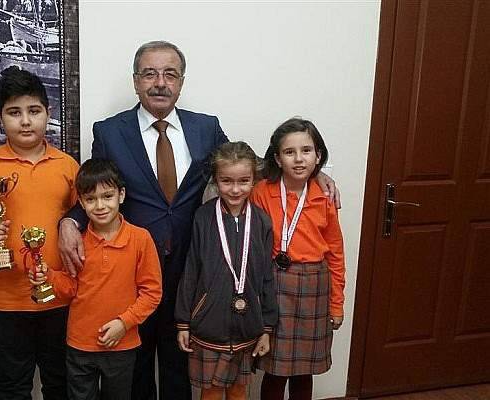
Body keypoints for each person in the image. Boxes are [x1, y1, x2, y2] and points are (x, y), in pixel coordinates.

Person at [58, 40, 340, 400]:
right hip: (132, 267)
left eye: (170, 74)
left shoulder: (205, 127)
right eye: (150, 74)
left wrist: (312, 175)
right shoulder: (110, 131)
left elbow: (246, 166)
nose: (160, 83)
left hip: (191, 266)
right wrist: (70, 222)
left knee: (180, 361)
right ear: (135, 80)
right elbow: (96, 185)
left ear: (181, 81)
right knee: (135, 363)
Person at [0, 66, 79, 400]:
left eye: (34, 111)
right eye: (14, 113)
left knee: (61, 381)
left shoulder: (67, 166)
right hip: (4, 297)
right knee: (11, 384)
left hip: (60, 293)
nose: (25, 121)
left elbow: (82, 218)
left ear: (48, 114)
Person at [31, 158, 163, 400]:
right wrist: (47, 276)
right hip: (80, 344)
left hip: (122, 344)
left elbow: (152, 293)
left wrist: (124, 323)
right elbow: (70, 288)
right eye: (91, 199)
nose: (100, 206)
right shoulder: (76, 243)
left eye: (107, 196)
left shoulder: (141, 239)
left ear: (121, 195)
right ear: (81, 202)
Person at [174, 141, 278, 400]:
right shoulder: (202, 217)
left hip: (248, 325)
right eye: (226, 181)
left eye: (244, 181)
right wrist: (183, 322)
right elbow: (191, 271)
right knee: (210, 390)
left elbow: (267, 276)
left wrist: (267, 327)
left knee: (239, 391)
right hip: (208, 324)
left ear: (254, 180)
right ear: (216, 180)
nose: (235, 189)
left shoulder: (262, 221)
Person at [251, 118, 345, 400]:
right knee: (275, 368)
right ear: (277, 159)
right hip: (274, 284)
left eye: (306, 150)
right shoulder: (262, 192)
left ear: (318, 155)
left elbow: (335, 253)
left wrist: (336, 303)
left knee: (305, 370)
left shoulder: (325, 196)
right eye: (289, 152)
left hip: (315, 286)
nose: (299, 158)